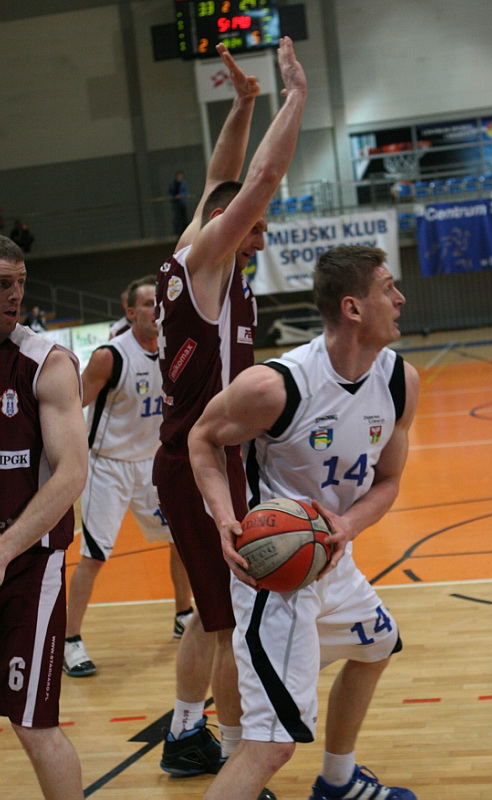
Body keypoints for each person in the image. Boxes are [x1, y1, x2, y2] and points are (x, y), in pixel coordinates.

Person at [188, 245, 420, 800]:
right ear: (352, 308)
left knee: (378, 645)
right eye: (387, 287)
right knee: (271, 748)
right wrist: (224, 518)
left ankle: (339, 781)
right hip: (279, 579)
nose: (400, 298)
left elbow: (388, 481)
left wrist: (348, 525)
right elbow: (201, 438)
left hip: (332, 558)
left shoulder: (399, 381)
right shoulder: (275, 387)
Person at [152, 37, 306, 797]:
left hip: (196, 457)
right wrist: (292, 99)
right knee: (230, 624)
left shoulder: (198, 252)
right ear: (225, 225)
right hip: (198, 461)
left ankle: (186, 734)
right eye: (255, 224)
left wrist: (242, 106)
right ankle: (242, 761)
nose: (262, 231)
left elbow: (223, 179)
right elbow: (257, 179)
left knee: (211, 615)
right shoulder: (209, 261)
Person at [63, 275, 193, 678]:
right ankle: (69, 640)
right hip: (109, 466)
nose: (157, 310)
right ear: (131, 312)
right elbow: (71, 405)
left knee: (180, 540)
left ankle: (183, 614)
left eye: (160, 303)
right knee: (94, 555)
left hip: (152, 465)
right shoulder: (110, 357)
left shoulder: (175, 351)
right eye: (149, 304)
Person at [0, 235, 87, 800]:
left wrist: (6, 548)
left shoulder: (46, 363)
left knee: (33, 725)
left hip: (29, 564)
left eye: (21, 283)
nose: (16, 295)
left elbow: (72, 473)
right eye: (2, 284)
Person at [168, 170, 189, 237]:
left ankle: (184, 230)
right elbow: (170, 191)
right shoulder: (173, 183)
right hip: (175, 202)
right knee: (176, 217)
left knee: (183, 217)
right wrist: (171, 196)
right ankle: (177, 231)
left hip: (181, 202)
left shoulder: (183, 183)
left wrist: (180, 195)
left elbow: (185, 192)